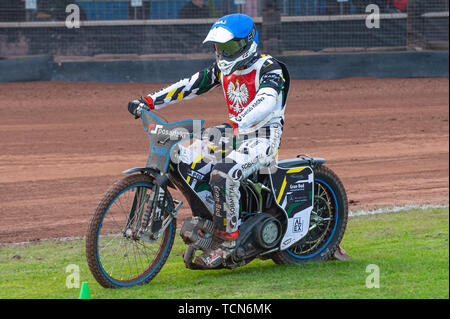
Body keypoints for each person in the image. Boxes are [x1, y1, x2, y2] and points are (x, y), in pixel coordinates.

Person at [128, 13, 289, 269]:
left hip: (262, 138)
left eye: (230, 47)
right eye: (219, 48)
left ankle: (227, 245)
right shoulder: (221, 69)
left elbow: (266, 101)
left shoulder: (269, 67)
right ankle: (210, 223)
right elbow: (190, 85)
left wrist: (235, 123)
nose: (224, 53)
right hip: (231, 134)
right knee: (178, 158)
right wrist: (148, 100)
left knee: (223, 174)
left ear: (248, 42)